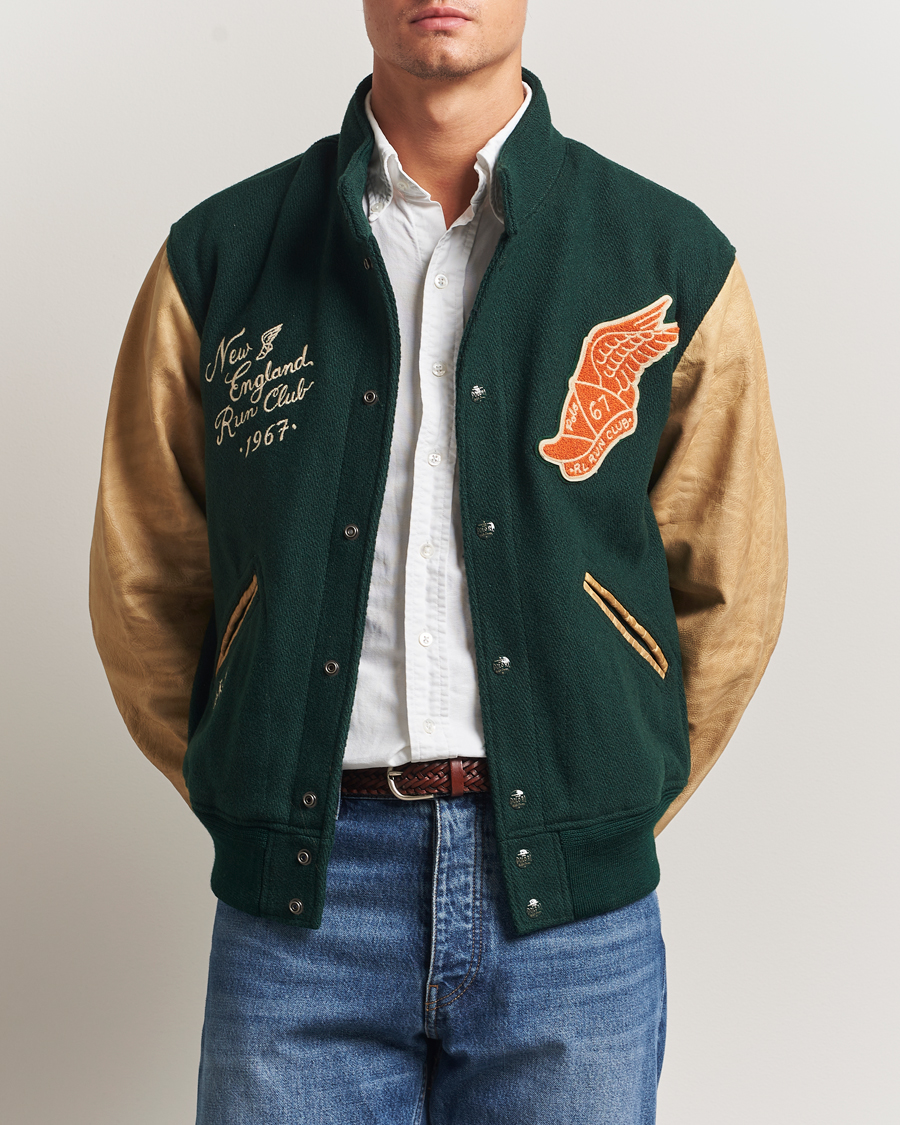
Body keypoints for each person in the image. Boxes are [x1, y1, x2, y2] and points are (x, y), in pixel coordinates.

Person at [89, 2, 788, 1121]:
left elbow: (731, 588)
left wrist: (597, 806)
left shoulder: (668, 260)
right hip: (302, 913)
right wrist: (258, 790)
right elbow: (145, 576)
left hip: (572, 929)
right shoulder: (221, 258)